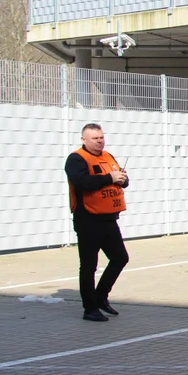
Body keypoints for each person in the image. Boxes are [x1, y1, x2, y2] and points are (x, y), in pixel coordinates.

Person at [65, 124, 130, 322]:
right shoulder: (76, 159)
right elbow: (83, 183)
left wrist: (122, 179)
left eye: (101, 137)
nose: (100, 141)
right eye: (95, 138)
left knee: (120, 258)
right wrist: (109, 177)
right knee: (88, 266)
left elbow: (122, 180)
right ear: (83, 140)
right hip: (88, 220)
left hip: (109, 218)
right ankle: (89, 308)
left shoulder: (108, 156)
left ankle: (101, 296)